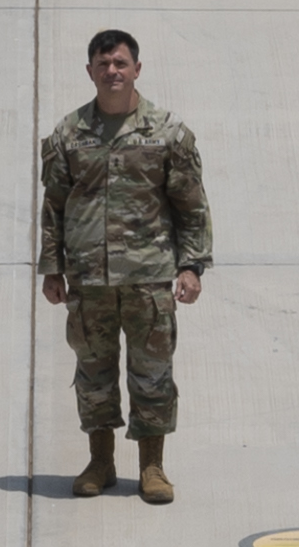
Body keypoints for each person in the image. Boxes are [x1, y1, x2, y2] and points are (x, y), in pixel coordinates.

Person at [36, 25, 211, 504]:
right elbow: (53, 205)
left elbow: (191, 206)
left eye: (120, 63)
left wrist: (192, 267)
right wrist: (52, 268)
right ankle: (100, 462)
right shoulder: (69, 134)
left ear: (137, 69)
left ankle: (152, 467)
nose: (112, 71)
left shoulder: (167, 133)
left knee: (153, 374)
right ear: (89, 71)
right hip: (88, 279)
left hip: (148, 278)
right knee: (93, 375)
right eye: (103, 64)